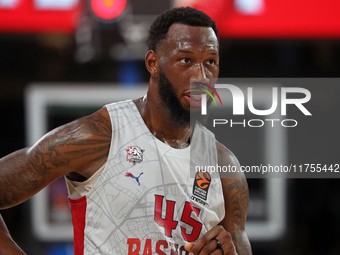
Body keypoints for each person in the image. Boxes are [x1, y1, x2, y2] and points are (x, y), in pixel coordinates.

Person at [0, 7, 252, 255]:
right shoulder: (100, 136)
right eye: (185, 60)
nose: (201, 76)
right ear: (153, 63)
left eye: (211, 62)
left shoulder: (224, 166)